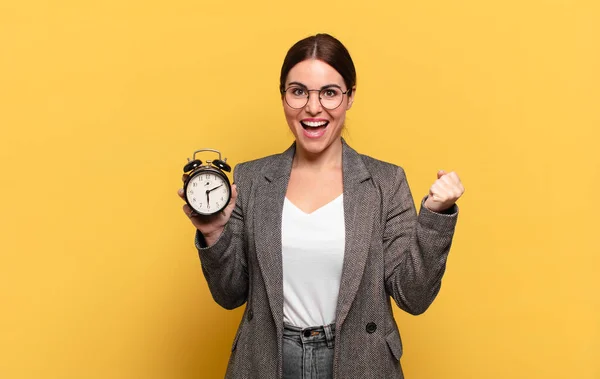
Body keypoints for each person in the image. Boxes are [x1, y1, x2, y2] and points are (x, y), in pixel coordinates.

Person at [178, 33, 464, 379]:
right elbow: (229, 294)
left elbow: (413, 297)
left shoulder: (385, 182)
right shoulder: (251, 179)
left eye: (329, 93)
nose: (313, 108)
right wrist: (212, 233)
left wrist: (435, 216)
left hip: (359, 360)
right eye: (298, 91)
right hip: (269, 360)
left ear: (350, 97)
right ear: (283, 96)